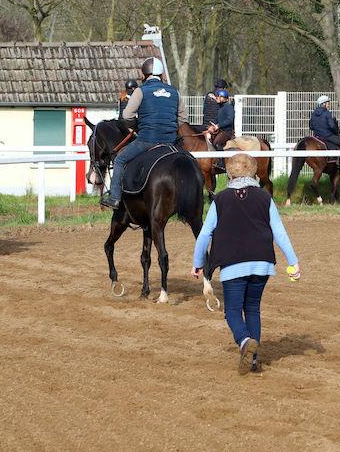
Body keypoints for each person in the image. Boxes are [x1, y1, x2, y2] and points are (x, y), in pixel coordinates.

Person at [191, 153, 300, 375]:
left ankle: (244, 342)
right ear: (253, 172)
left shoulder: (220, 200)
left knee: (232, 311)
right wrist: (293, 262)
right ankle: (254, 359)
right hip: (262, 263)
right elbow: (279, 231)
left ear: (229, 174)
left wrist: (197, 262)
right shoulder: (264, 197)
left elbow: (204, 234)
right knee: (252, 309)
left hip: (232, 264)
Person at [99, 57, 187, 209]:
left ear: (144, 75)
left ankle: (114, 198)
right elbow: (183, 118)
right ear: (161, 75)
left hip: (147, 140)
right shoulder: (175, 92)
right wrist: (169, 127)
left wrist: (137, 125)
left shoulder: (140, 91)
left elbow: (127, 116)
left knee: (119, 160)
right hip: (171, 141)